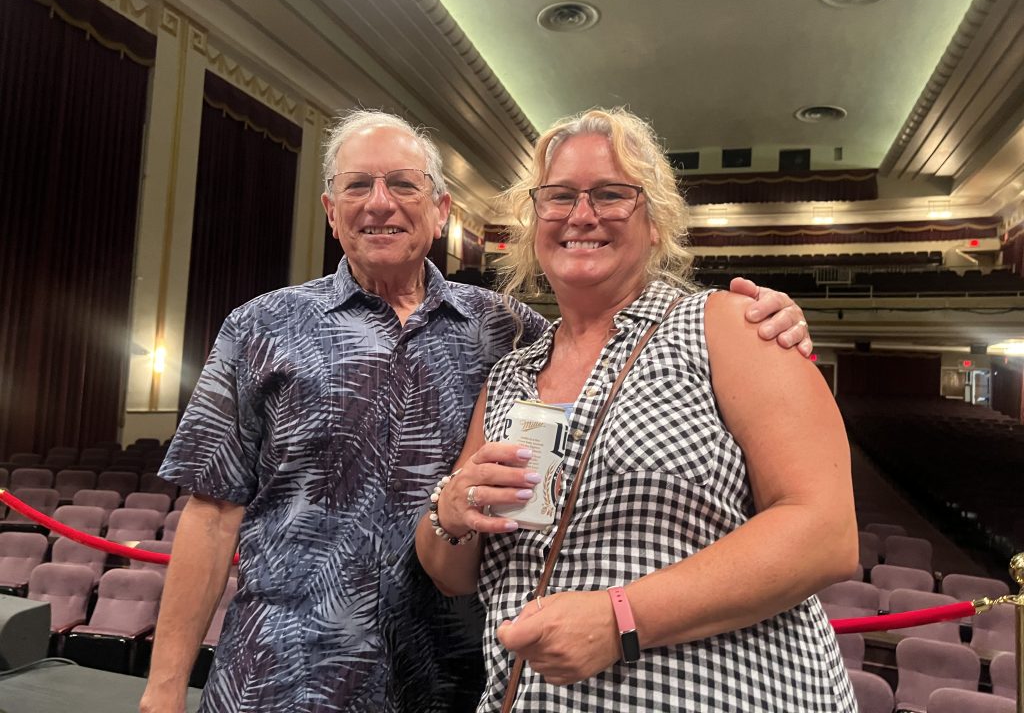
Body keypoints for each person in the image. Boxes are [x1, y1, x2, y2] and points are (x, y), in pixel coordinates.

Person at [140, 109, 813, 713]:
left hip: (448, 681)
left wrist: (770, 323)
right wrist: (165, 689)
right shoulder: (260, 327)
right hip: (281, 676)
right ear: (329, 207)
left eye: (403, 184)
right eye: (357, 185)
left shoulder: (511, 335)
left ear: (439, 210)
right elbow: (210, 513)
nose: (380, 203)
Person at [416, 107, 858, 711]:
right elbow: (452, 573)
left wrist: (621, 618)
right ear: (533, 221)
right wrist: (452, 508)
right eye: (559, 196)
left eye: (612, 195)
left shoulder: (729, 325)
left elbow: (824, 533)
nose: (581, 215)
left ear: (655, 223)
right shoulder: (509, 375)